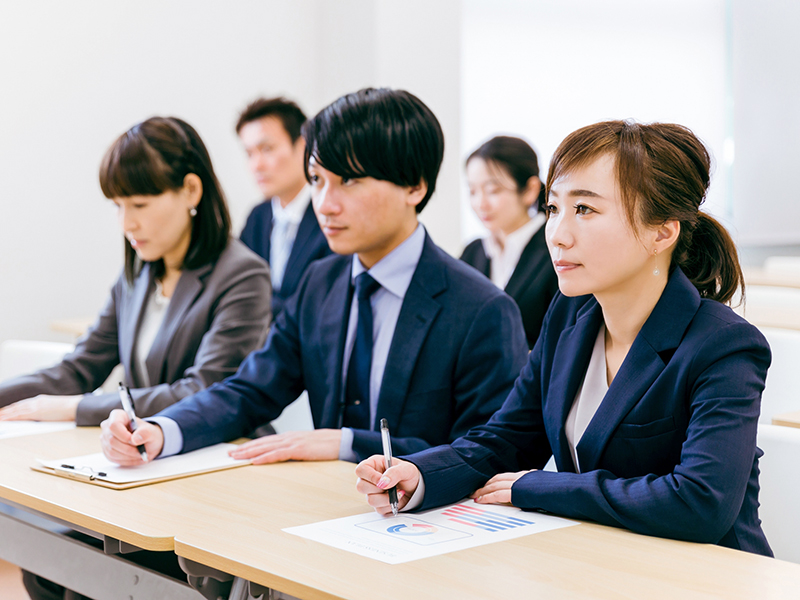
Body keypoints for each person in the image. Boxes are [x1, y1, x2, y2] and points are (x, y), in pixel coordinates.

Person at [357, 120, 773, 557]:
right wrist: (420, 476)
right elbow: (508, 439)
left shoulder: (724, 345)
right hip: (608, 564)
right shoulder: (570, 315)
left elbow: (701, 502)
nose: (557, 234)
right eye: (554, 209)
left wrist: (542, 486)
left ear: (662, 233)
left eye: (585, 210)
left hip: (711, 577)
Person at [100, 87, 528, 471]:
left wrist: (346, 444)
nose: (325, 204)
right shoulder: (320, 284)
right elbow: (249, 390)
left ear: (414, 187)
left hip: (429, 530)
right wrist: (161, 431)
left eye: (349, 181)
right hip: (324, 511)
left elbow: (487, 451)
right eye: (318, 181)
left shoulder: (481, 309)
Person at [0, 117, 271, 426]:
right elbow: (79, 369)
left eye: (140, 205)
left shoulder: (244, 276)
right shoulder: (139, 273)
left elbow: (203, 391)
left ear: (191, 191)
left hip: (218, 452)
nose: (126, 224)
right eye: (118, 206)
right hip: (143, 451)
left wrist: (78, 408)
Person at [461, 136, 558, 347]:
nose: (481, 203)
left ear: (530, 190)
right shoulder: (472, 252)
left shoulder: (556, 248)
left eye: (493, 190)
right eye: (472, 191)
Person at [237, 97, 331, 316]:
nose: (256, 165)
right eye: (249, 154)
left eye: (267, 149)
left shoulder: (329, 214)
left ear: (302, 146)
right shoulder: (257, 218)